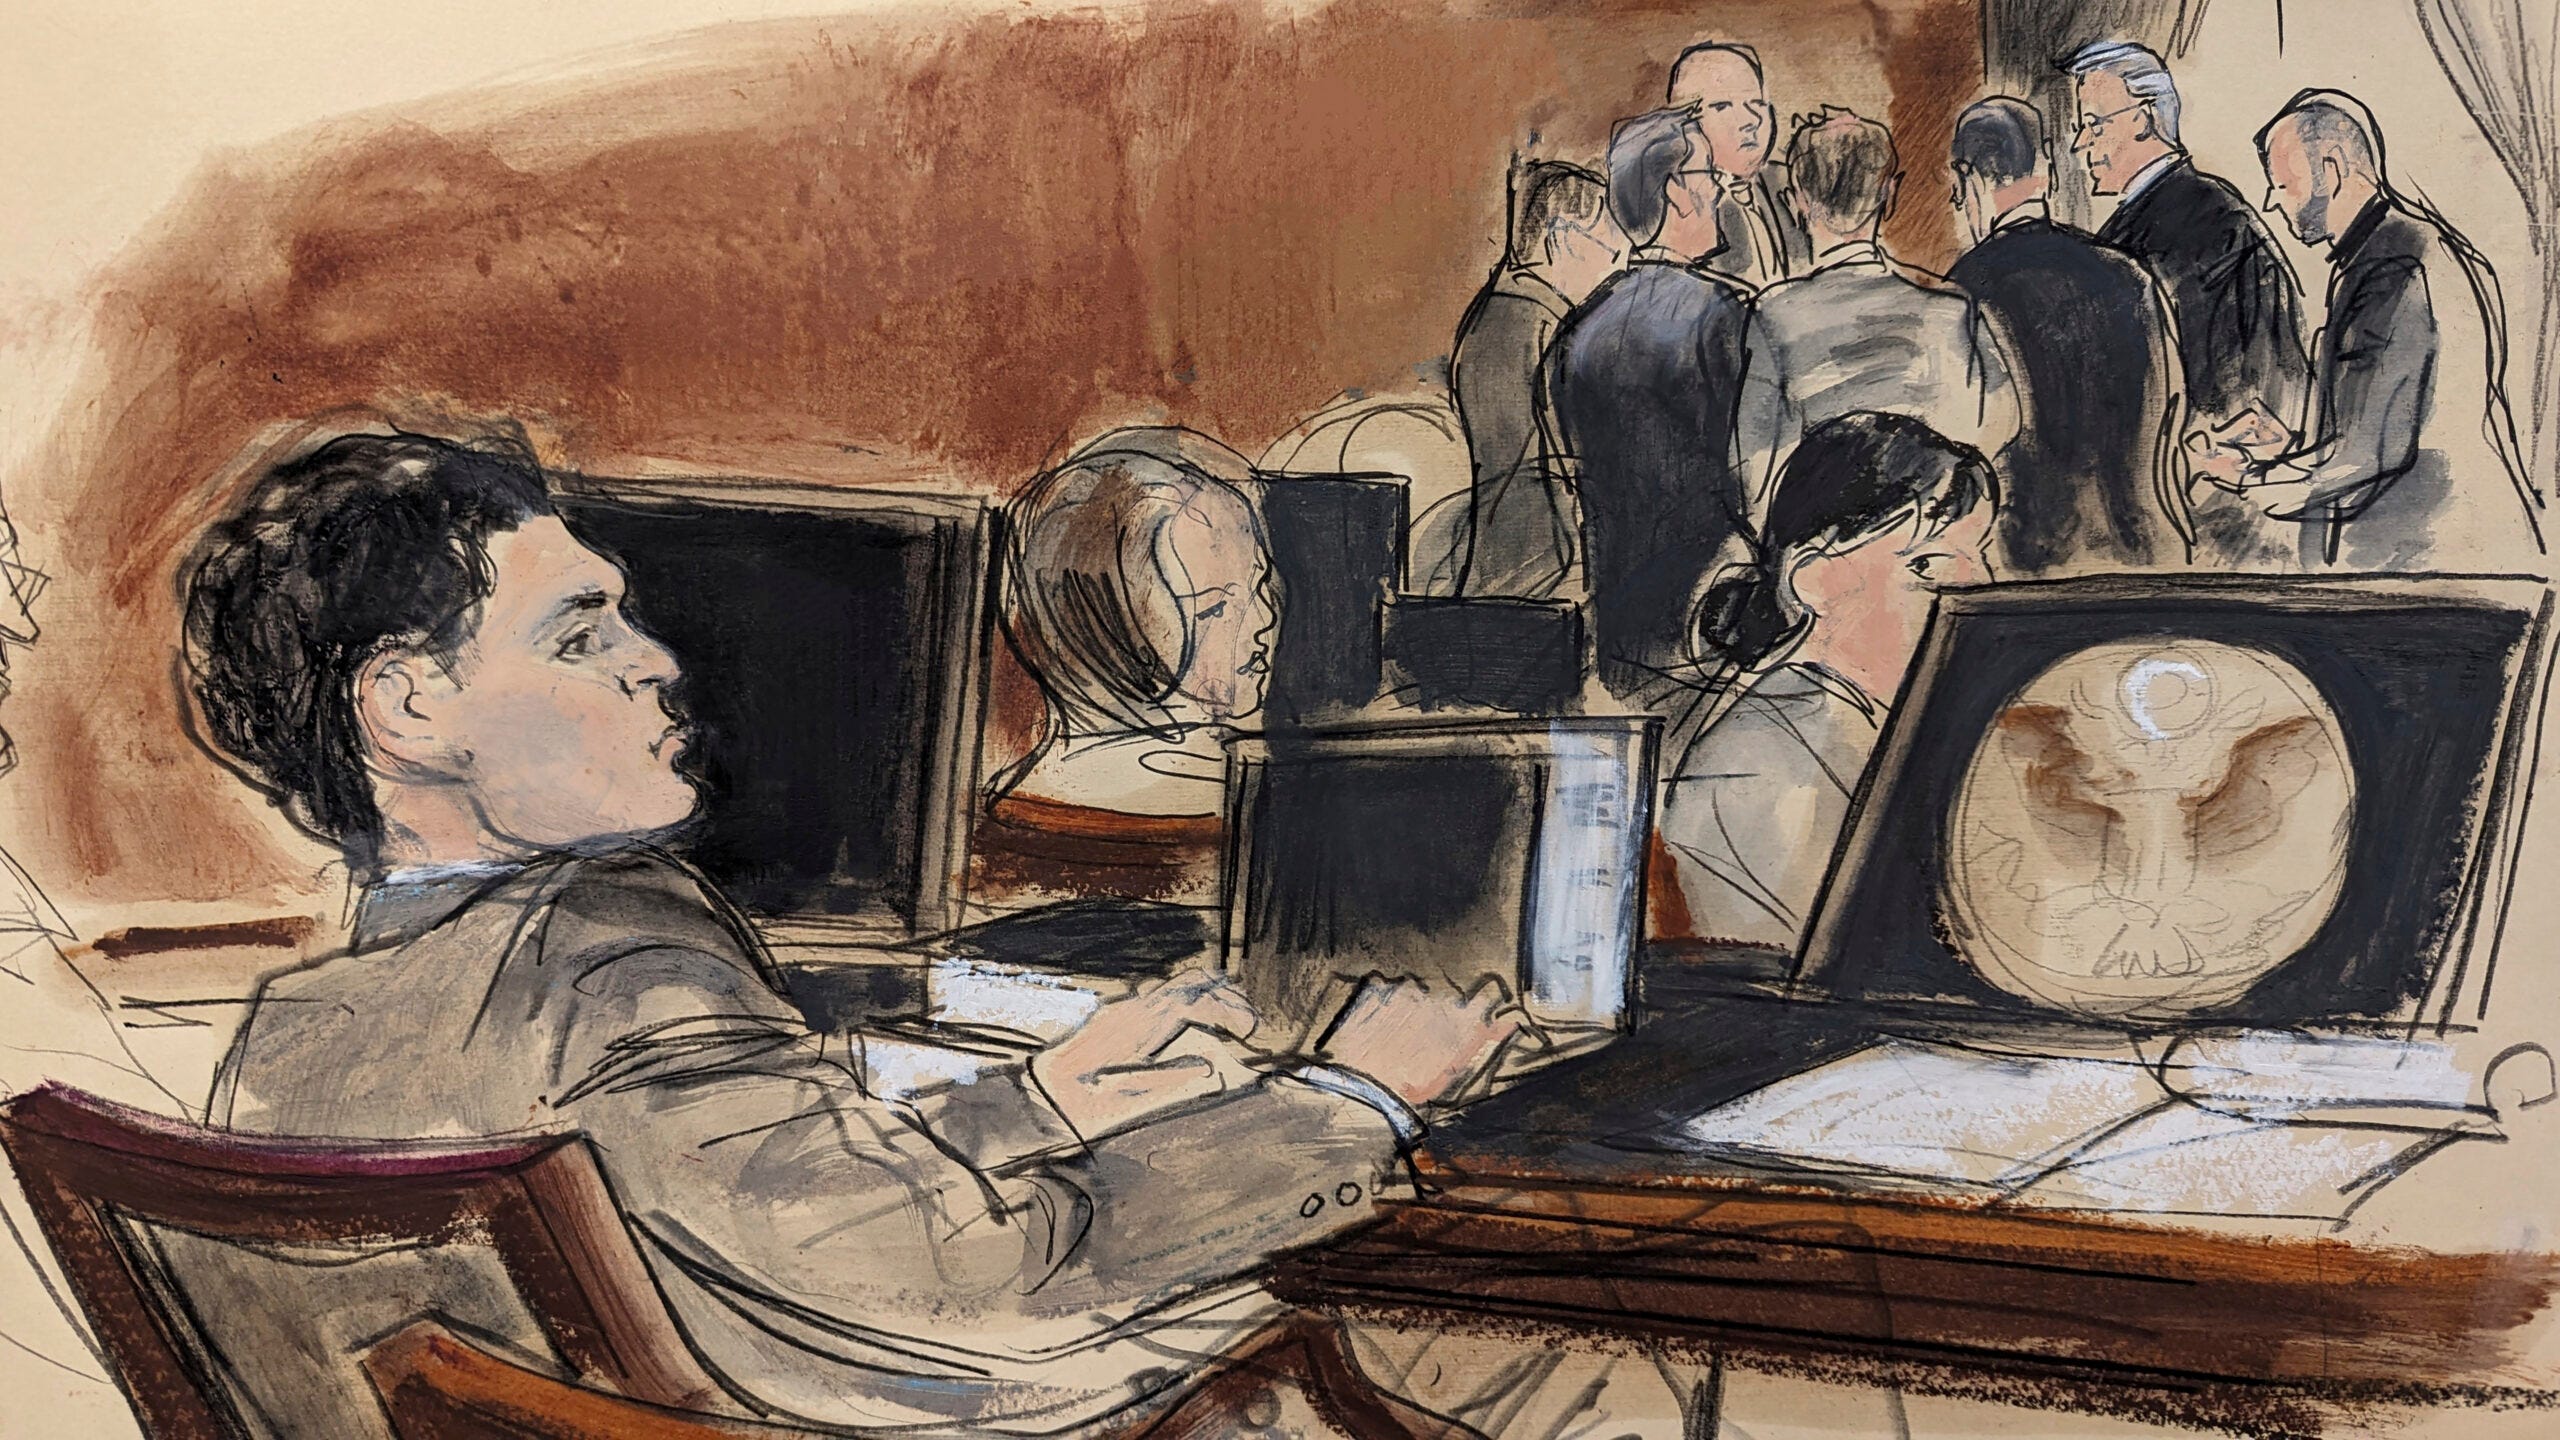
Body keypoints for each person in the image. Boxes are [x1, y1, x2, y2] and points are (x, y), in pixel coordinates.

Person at [177, 429, 1519, 1436]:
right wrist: (1349, 1101)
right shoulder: (610, 959)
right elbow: (978, 1274)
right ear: (409, 707)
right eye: (582, 637)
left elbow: (767, 1202)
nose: (657, 660)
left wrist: (1035, 1100)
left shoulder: (293, 1050)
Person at [1661, 412, 1998, 950]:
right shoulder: (1789, 741)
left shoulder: (1840, 719)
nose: (1975, 587)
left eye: (1980, 559)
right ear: (1814, 579)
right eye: (1925, 566)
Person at [2212, 90, 2546, 571]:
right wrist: (2290, 445)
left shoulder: (2391, 267)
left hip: (2424, 558)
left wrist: (2250, 479)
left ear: (2330, 169)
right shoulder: (2423, 247)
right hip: (2460, 544)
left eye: (2282, 184)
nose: (2272, 200)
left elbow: (2367, 453)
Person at [980, 432, 1272, 903]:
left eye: (1259, 587)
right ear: (1105, 624)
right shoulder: (1228, 830)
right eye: (1215, 608)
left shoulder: (1244, 796)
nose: (1264, 620)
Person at [1545, 106, 1754, 701]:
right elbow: (1749, 474)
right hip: (1711, 624)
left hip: (1619, 627)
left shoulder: (1577, 333)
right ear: (1675, 191)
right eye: (1709, 175)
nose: (1720, 191)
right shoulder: (1724, 316)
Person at [1946, 95, 2189, 575]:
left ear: (1968, 180)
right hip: (2144, 550)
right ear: (2047, 172)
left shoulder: (1964, 291)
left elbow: (1971, 443)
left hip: (2027, 560)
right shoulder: (2129, 274)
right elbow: (2172, 409)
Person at [1734, 108, 2018, 511]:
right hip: (1935, 527)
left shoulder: (1769, 318)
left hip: (1822, 533)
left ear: (1796, 201)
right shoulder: (1951, 309)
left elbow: (1753, 468)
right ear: (1890, 193)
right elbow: (2003, 423)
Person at [2066, 42, 2311, 445]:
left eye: (2094, 125)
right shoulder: (2189, 216)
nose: (2080, 143)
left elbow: (2263, 374)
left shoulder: (2211, 223)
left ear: (2143, 119)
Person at [1448, 160, 1620, 600]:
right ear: (1564, 238)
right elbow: (1575, 461)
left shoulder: (1491, 314)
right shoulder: (1549, 329)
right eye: (1607, 245)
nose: (1614, 264)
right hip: (1550, 568)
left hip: (1500, 562)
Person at [1666, 40, 1811, 288]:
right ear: (1684, 123)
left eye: (1758, 104)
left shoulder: (1789, 184)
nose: (1751, 120)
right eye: (1722, 106)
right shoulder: (1678, 204)